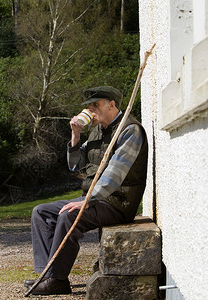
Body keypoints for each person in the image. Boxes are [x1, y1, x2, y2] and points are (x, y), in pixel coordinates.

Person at [24, 86, 149, 295]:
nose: (91, 110)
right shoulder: (96, 130)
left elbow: (114, 176)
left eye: (96, 105)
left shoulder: (130, 130)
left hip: (117, 202)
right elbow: (76, 166)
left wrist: (87, 200)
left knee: (69, 216)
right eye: (90, 106)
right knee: (41, 212)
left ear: (112, 104)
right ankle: (48, 275)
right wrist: (75, 134)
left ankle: (57, 279)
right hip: (95, 199)